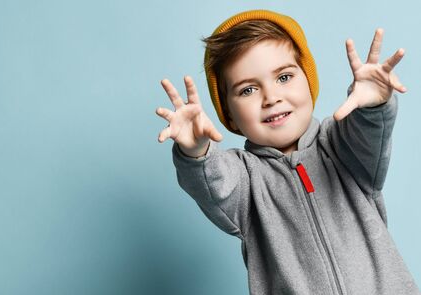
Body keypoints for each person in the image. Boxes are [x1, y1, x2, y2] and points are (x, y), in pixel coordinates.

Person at [155, 9, 420, 295]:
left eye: (283, 77)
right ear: (229, 115)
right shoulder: (244, 180)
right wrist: (196, 151)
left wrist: (372, 105)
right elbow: (213, 182)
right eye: (248, 90)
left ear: (308, 81)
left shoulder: (343, 145)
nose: (271, 98)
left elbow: (368, 132)